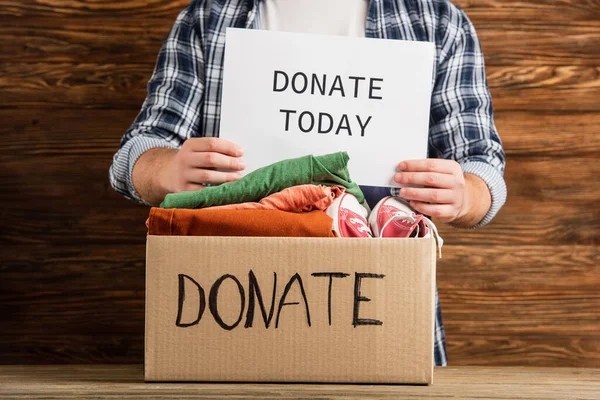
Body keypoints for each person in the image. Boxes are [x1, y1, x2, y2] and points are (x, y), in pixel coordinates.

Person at [109, 0, 507, 366]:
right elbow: (135, 157)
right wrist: (167, 171)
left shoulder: (437, 21)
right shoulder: (206, 18)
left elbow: (481, 165)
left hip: (379, 304)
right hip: (233, 299)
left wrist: (463, 195)